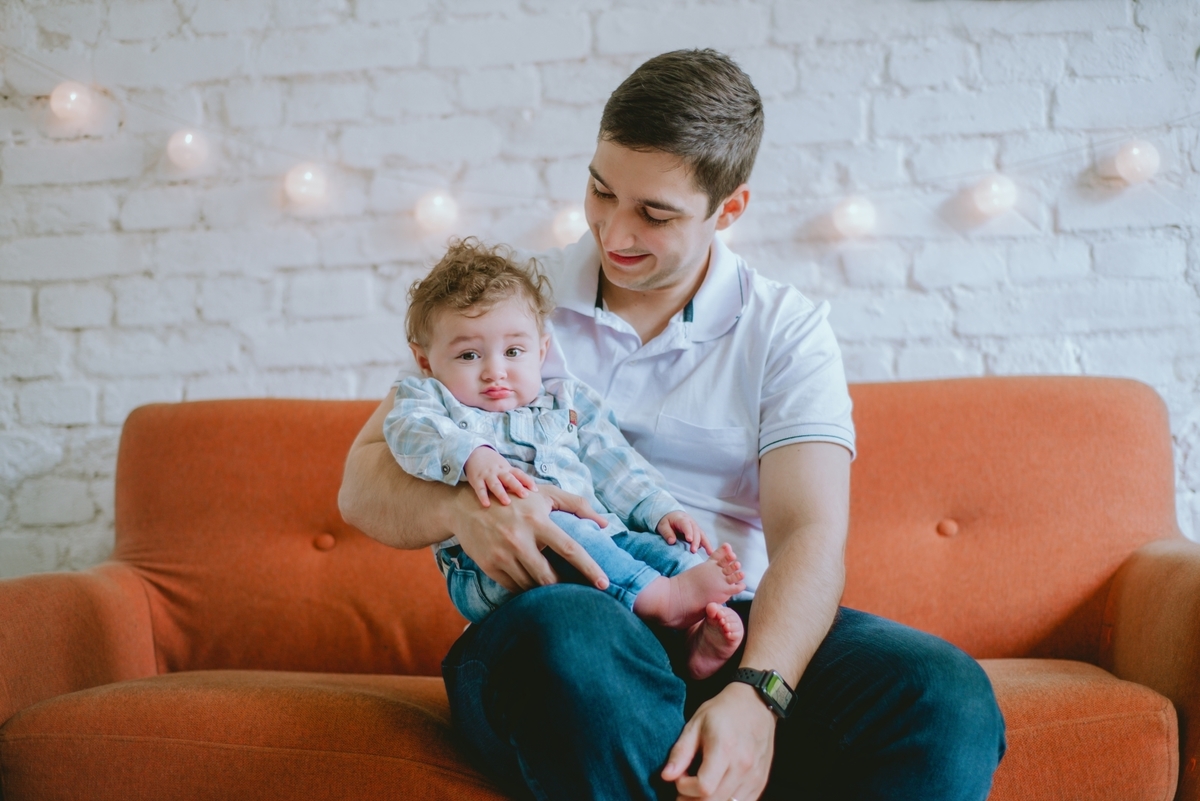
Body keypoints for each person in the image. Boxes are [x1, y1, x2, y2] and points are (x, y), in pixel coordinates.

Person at [340, 48, 1005, 800]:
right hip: (558, 626)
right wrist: (462, 507)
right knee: (575, 640)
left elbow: (811, 536)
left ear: (729, 210)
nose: (613, 230)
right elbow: (361, 481)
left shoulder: (784, 331)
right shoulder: (513, 302)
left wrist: (760, 693)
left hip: (723, 623)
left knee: (943, 693)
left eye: (654, 213)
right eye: (600, 190)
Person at [384, 237, 747, 679]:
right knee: (554, 520)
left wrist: (658, 508)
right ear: (425, 360)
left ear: (541, 350)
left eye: (513, 352)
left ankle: (691, 642)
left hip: (604, 538)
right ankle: (662, 601)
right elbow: (407, 433)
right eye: (468, 355)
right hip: (493, 566)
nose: (494, 370)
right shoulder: (428, 399)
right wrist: (470, 454)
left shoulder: (568, 403)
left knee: (674, 555)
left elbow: (611, 459)